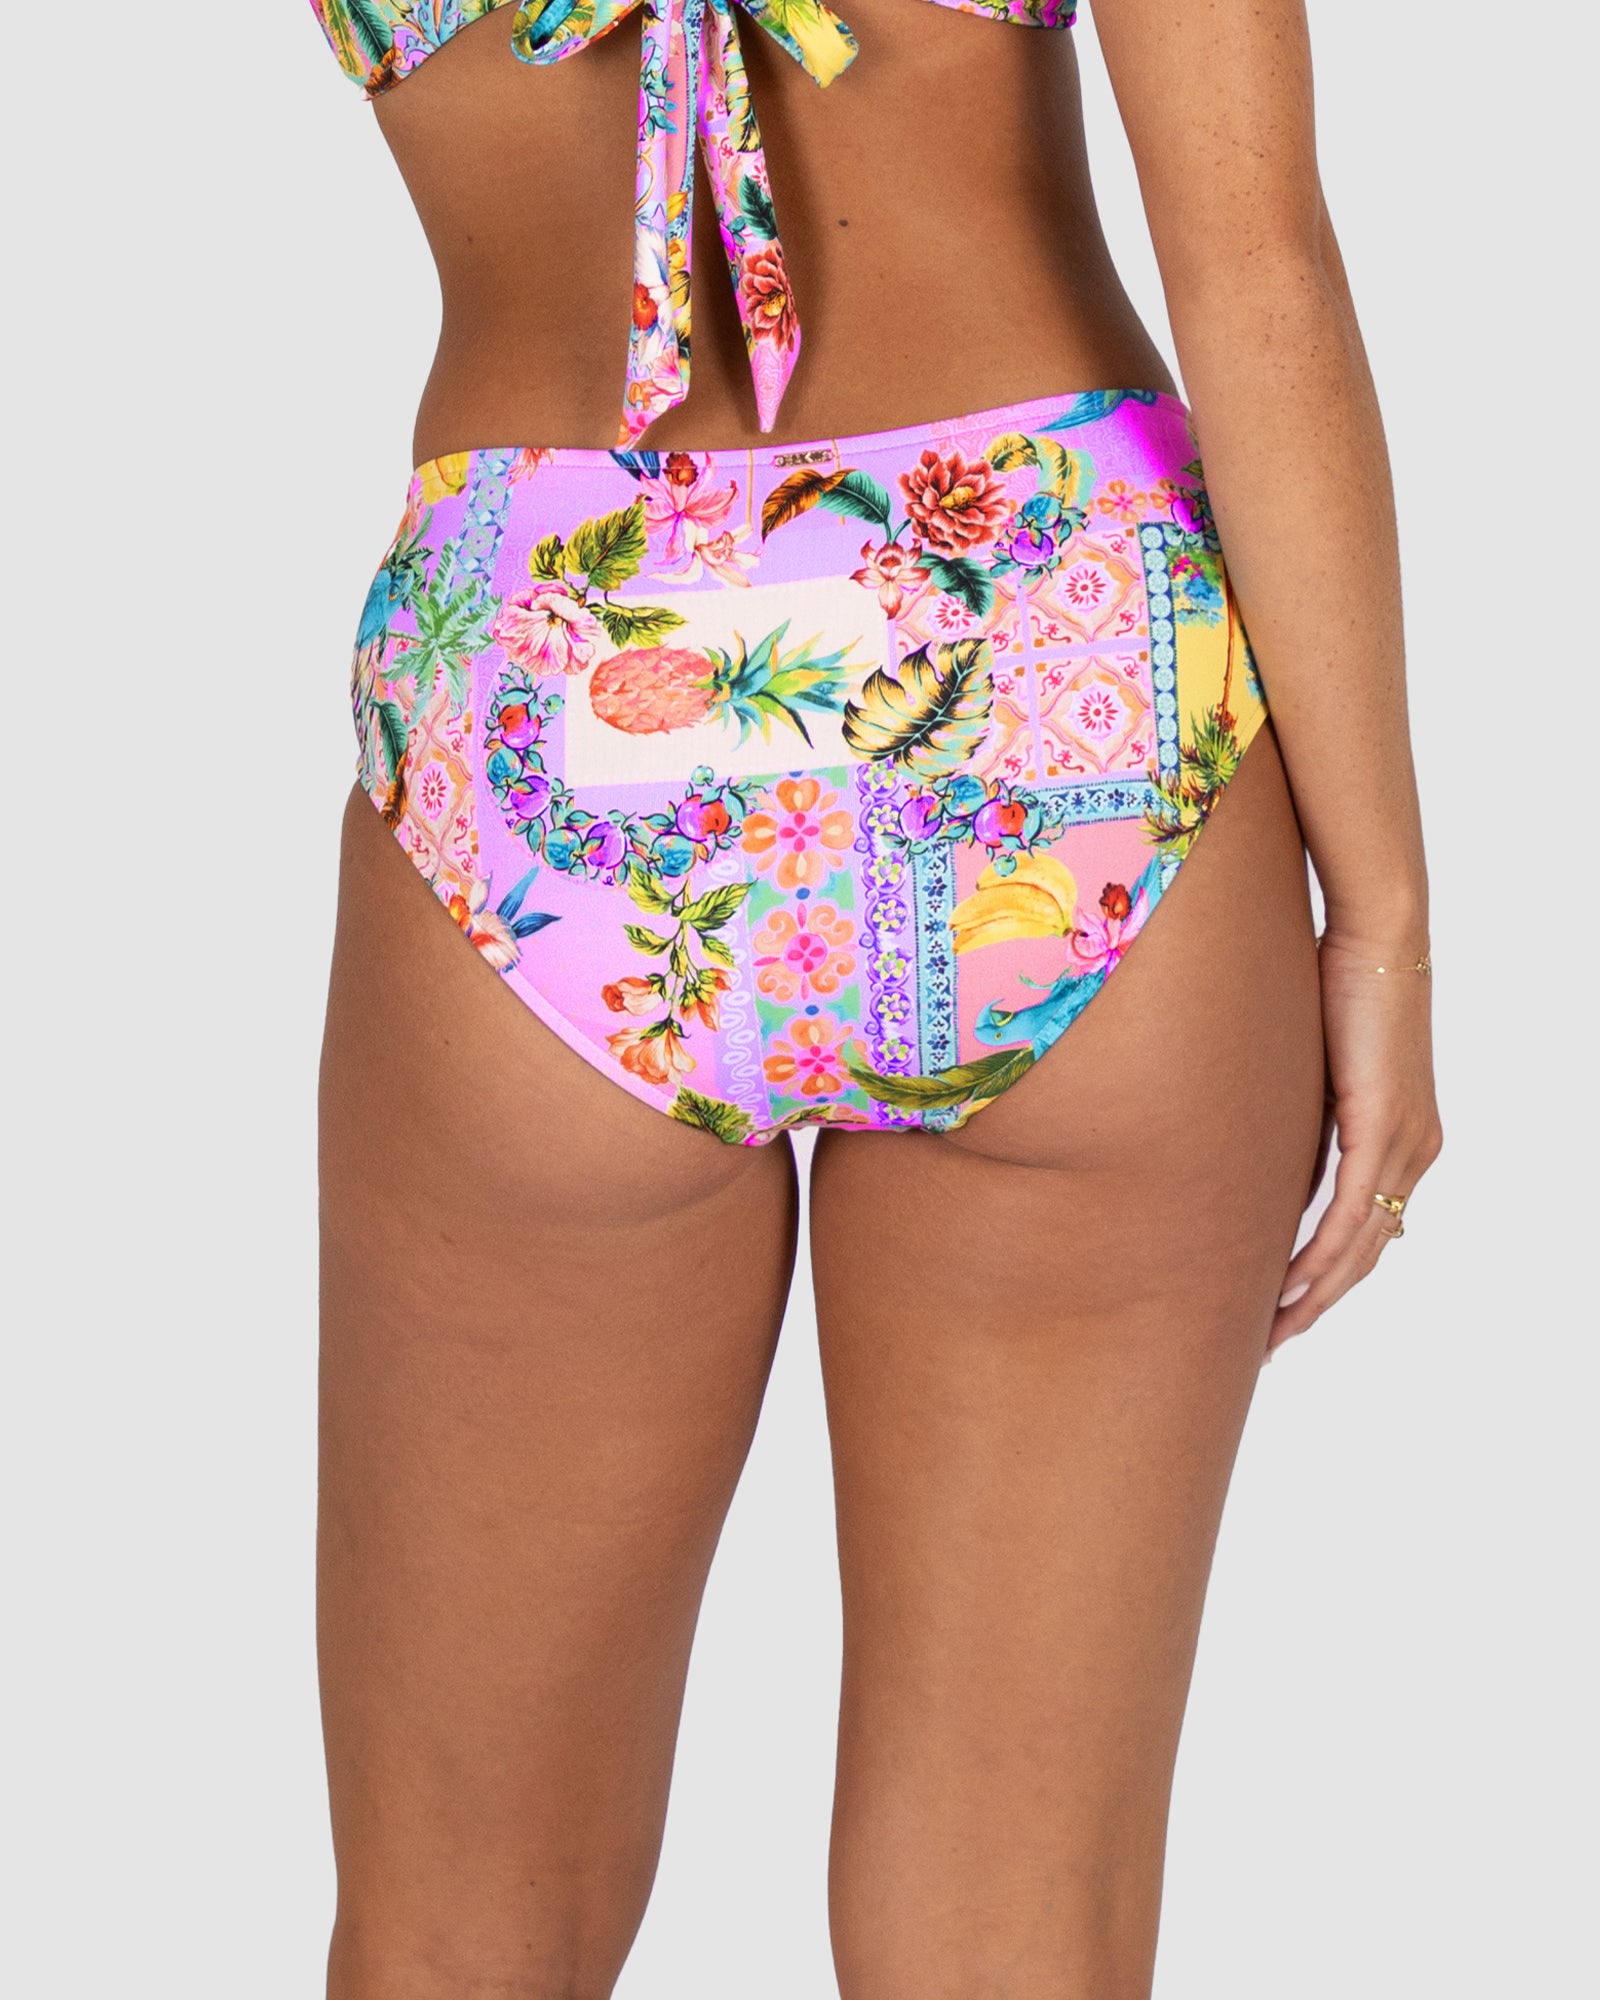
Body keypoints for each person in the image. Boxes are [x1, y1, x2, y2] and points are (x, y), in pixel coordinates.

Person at [310, 0, 1442, 1992]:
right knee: (1015, 1929)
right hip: (1057, 665)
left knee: (460, 1925)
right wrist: (1383, 910)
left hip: (552, 694)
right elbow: (1255, 266)